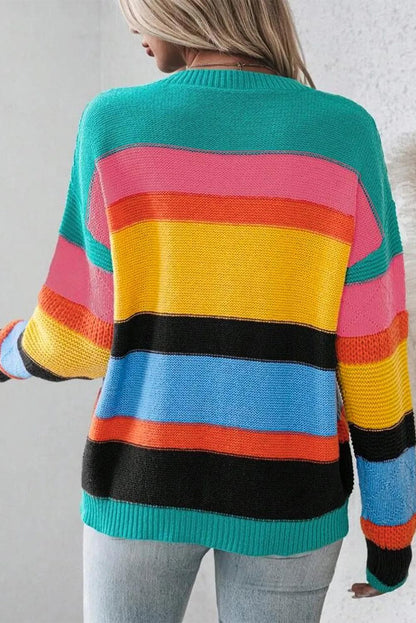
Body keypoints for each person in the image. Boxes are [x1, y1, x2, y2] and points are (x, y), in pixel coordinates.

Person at [1, 0, 415, 621]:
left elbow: (76, 337)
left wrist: (7, 353)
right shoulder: (343, 134)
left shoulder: (114, 125)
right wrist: (391, 531)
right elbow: (374, 356)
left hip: (141, 481)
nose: (133, 27)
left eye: (138, 10)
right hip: (290, 494)